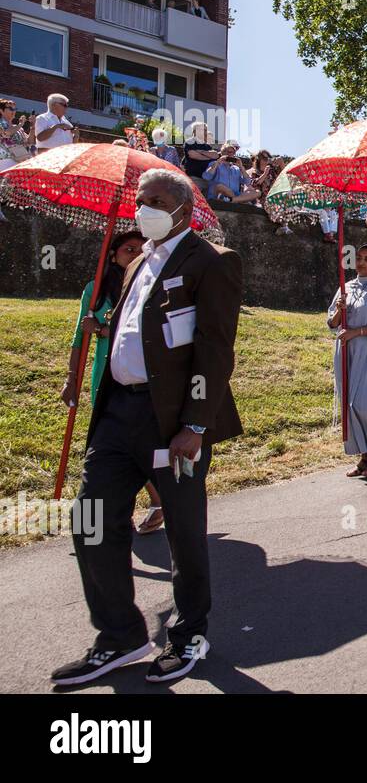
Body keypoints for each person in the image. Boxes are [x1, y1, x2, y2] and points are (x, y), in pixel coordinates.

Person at [52, 168, 243, 687]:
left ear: (183, 207)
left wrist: (197, 424)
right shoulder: (136, 262)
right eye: (141, 201)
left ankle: (188, 636)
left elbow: (213, 348)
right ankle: (119, 635)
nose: (145, 209)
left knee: (184, 531)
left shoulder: (212, 262)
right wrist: (104, 326)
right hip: (117, 413)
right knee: (90, 519)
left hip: (173, 419)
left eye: (156, 200)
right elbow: (144, 331)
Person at [59, 231, 165, 534]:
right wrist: (71, 380)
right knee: (107, 448)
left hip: (136, 379)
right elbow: (78, 338)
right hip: (103, 377)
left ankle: (157, 501)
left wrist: (102, 330)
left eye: (138, 249)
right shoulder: (94, 291)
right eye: (127, 249)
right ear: (113, 254)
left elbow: (145, 332)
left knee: (130, 446)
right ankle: (105, 521)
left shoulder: (146, 287)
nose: (133, 255)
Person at [327, 245, 367, 477]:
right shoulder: (346, 287)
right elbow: (331, 323)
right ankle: (363, 453)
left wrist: (358, 332)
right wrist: (338, 311)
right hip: (345, 351)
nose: (362, 262)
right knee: (349, 403)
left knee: (366, 403)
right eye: (359, 258)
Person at [0, 99, 29, 170]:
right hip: (5, 161)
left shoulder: (17, 127)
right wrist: (20, 124)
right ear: (1, 110)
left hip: (20, 160)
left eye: (15, 109)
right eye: (10, 108)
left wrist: (33, 126)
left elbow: (29, 142)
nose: (14, 111)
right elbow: (6, 133)